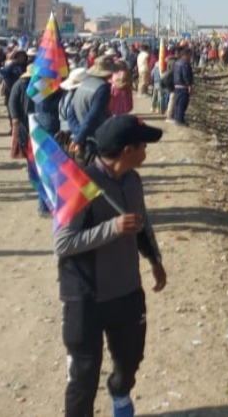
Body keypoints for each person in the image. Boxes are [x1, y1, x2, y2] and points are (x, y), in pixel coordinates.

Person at [54, 115, 167, 417]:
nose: (147, 151)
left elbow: (142, 223)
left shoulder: (133, 180)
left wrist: (155, 259)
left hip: (127, 290)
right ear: (128, 150)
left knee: (130, 358)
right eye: (144, 146)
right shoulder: (79, 184)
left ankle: (119, 392)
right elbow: (63, 244)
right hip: (85, 296)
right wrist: (113, 228)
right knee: (83, 375)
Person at [171, 48, 194, 126]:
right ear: (186, 55)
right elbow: (186, 75)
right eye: (190, 55)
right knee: (182, 104)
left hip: (177, 85)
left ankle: (177, 118)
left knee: (177, 103)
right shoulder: (185, 64)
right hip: (183, 86)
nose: (190, 57)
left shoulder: (177, 62)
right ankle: (180, 120)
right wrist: (189, 85)